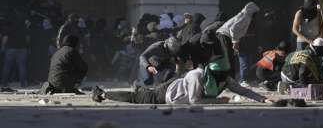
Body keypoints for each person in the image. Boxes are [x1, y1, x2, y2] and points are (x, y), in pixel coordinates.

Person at [92, 55, 274, 104]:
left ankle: (140, 89)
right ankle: (102, 94)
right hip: (168, 93)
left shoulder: (224, 79)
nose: (224, 78)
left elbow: (243, 90)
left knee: (142, 93)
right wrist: (218, 100)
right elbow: (195, 101)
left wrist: (263, 99)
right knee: (138, 98)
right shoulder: (198, 75)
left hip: (176, 89)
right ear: (213, 72)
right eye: (221, 75)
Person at [216, 2, 260, 78]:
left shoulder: (245, 17)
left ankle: (230, 79)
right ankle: (229, 79)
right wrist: (235, 42)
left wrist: (235, 41)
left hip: (226, 36)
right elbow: (233, 29)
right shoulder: (245, 17)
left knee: (230, 58)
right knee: (228, 58)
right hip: (225, 35)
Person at [1, 20, 30, 87]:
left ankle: (3, 83)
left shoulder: (9, 27)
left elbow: (5, 38)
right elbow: (28, 38)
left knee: (7, 66)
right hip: (22, 49)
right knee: (22, 66)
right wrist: (27, 46)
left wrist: (2, 47)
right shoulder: (24, 28)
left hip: (11, 49)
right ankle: (23, 84)